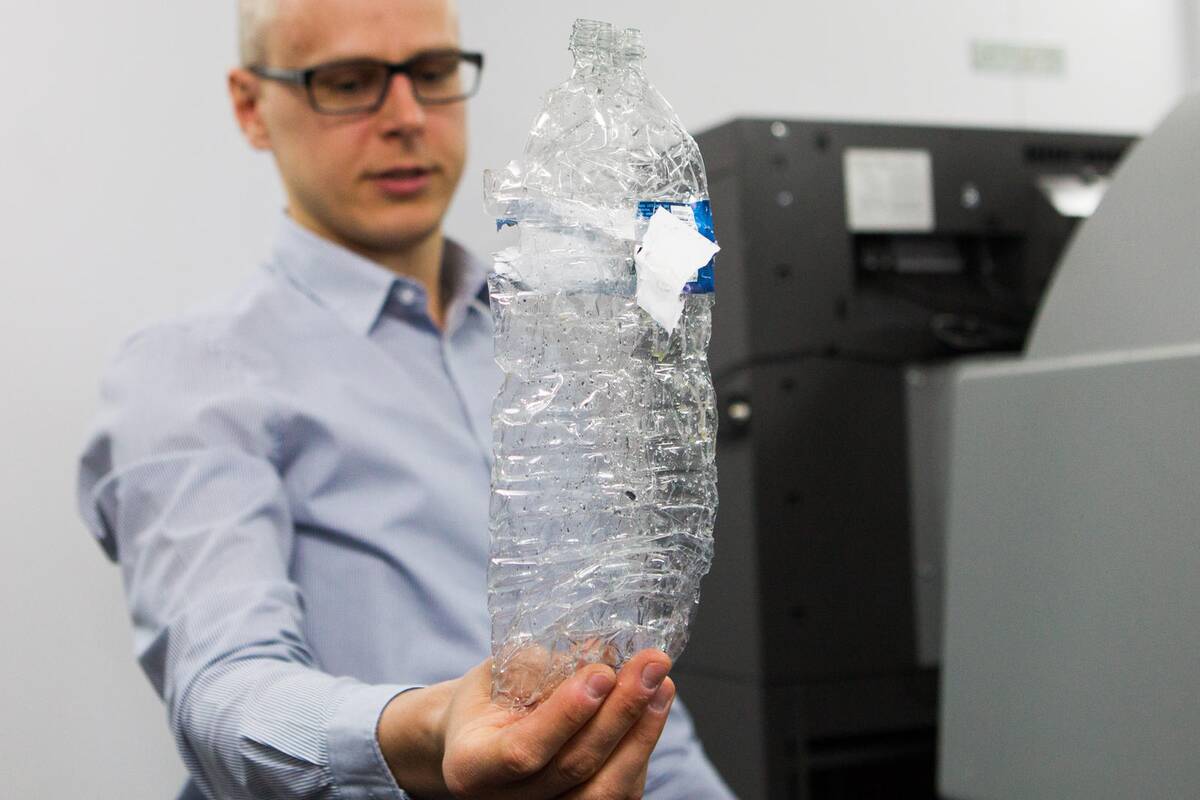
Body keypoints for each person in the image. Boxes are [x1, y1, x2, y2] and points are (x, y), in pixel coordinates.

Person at [76, 0, 735, 797]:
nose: (407, 117)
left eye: (431, 72)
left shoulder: (560, 337)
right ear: (252, 106)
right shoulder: (194, 371)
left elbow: (634, 692)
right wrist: (430, 728)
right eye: (348, 82)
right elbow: (220, 695)